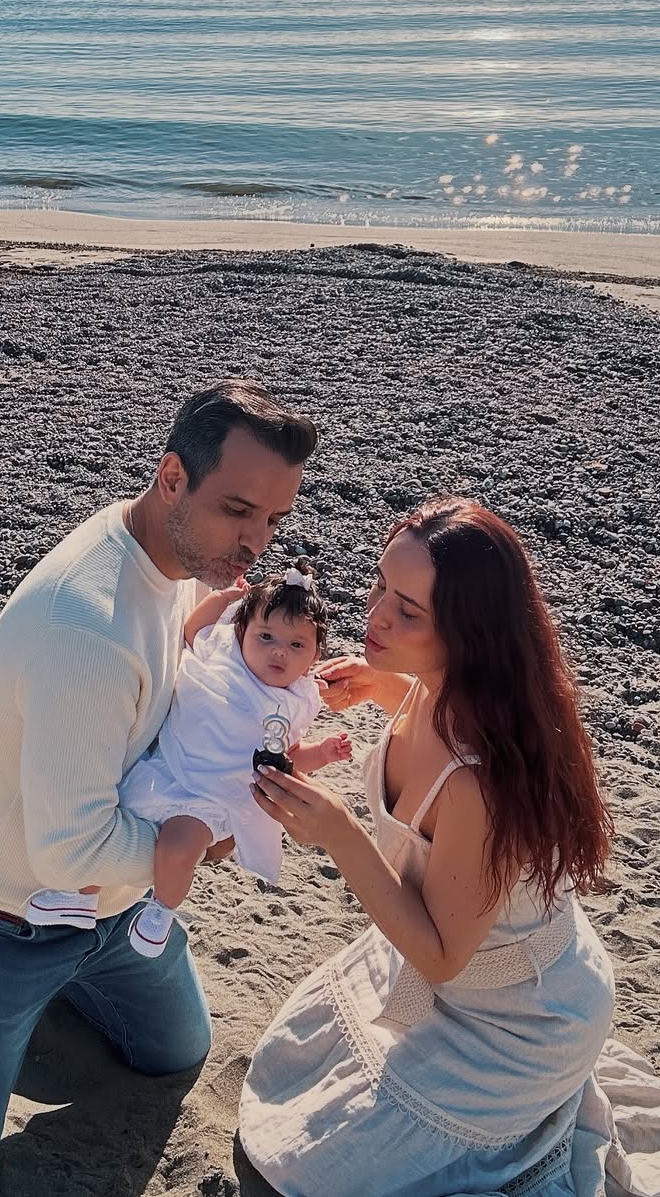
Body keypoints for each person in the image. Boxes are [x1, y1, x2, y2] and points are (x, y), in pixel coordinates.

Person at [0, 379, 318, 1197]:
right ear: (172, 477)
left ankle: (35, 1009)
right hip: (3, 923)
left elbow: (191, 681)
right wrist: (212, 838)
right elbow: (71, 846)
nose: (256, 542)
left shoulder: (177, 551)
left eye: (274, 520)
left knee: (177, 1049)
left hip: (107, 911)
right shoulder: (88, 626)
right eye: (239, 510)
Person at [242, 497, 618, 1197]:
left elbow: (443, 956)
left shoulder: (480, 783)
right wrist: (388, 688)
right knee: (289, 1089)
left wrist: (339, 834)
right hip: (456, 972)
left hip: (516, 1018)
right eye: (381, 583)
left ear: (468, 634)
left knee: (302, 1170)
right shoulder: (437, 688)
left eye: (408, 611)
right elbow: (430, 752)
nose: (376, 613)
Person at [25, 559, 352, 957]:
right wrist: (223, 599)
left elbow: (286, 756)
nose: (278, 652)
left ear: (315, 655)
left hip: (209, 797)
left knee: (179, 848)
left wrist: (324, 753)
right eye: (265, 636)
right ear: (242, 630)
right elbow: (192, 629)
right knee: (109, 824)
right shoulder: (223, 656)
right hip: (165, 766)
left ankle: (161, 911)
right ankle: (81, 897)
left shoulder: (294, 702)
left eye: (296, 645)